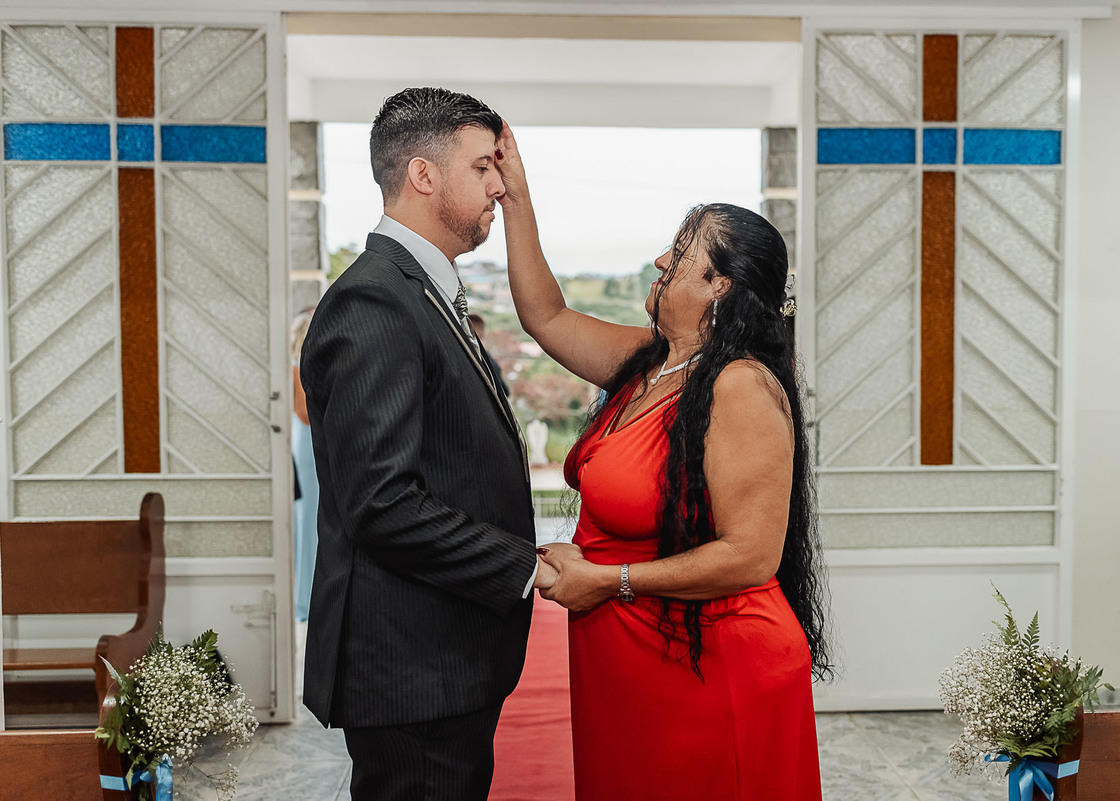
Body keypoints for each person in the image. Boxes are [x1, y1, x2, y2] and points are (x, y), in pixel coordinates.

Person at [495, 123, 832, 800]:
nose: (658, 260)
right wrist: (516, 199)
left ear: (718, 284)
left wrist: (609, 579)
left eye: (678, 254)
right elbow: (546, 316)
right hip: (637, 663)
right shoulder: (650, 361)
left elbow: (750, 557)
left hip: (712, 670)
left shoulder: (740, 385)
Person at [299, 89, 557, 801]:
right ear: (423, 174)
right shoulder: (374, 300)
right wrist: (525, 567)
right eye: (482, 167)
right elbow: (382, 504)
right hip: (412, 667)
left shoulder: (419, 288)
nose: (499, 186)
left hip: (443, 655)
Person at [291, 306, 318, 623]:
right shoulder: (297, 367)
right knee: (308, 519)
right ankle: (304, 599)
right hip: (307, 444)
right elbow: (304, 413)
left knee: (312, 519)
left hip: (310, 443)